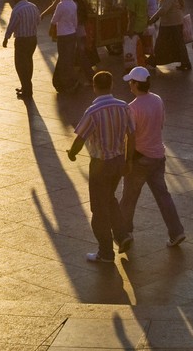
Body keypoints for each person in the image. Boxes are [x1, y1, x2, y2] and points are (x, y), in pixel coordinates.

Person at [66, 71, 135, 264]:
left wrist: (72, 153)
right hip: (119, 161)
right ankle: (122, 235)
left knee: (98, 209)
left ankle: (105, 252)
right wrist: (129, 160)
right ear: (111, 85)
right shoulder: (124, 107)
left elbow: (80, 138)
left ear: (95, 87)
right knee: (109, 198)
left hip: (100, 165)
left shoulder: (93, 111)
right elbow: (132, 135)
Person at [118, 67, 186, 248]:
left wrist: (128, 160)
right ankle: (176, 231)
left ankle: (124, 233)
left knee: (129, 197)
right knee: (163, 196)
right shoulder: (157, 100)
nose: (129, 85)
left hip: (140, 158)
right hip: (158, 156)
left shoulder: (132, 108)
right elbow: (161, 124)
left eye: (130, 82)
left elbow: (130, 136)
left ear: (135, 84)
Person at [3, 0, 41, 100]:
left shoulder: (17, 10)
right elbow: (38, 21)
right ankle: (26, 86)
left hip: (22, 40)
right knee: (28, 62)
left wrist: (6, 38)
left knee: (20, 65)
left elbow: (11, 26)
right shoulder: (33, 7)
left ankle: (27, 89)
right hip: (32, 39)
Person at [147, 0, 190, 73]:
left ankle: (153, 61)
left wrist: (152, 19)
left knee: (160, 43)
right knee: (179, 43)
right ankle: (185, 62)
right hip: (176, 21)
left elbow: (163, 10)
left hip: (170, 23)